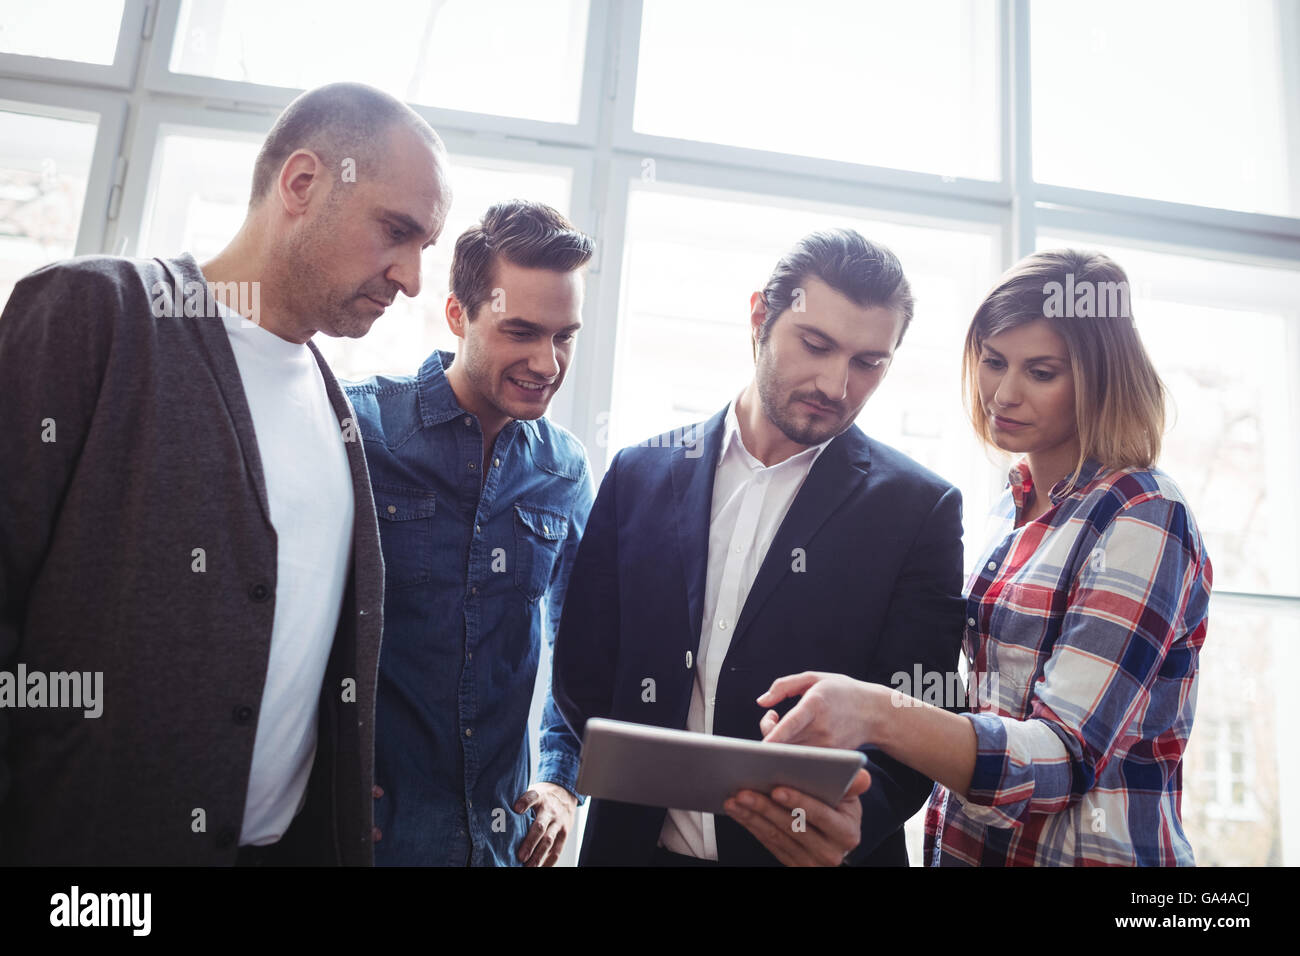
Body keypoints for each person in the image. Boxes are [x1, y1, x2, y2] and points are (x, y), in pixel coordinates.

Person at [0, 82, 452, 865]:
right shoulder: (97, 315)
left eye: (425, 248)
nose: (411, 277)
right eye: (396, 231)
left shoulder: (338, 408)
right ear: (303, 184)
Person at [759, 249, 1212, 866]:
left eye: (1042, 372)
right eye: (993, 362)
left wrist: (876, 712)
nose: (1003, 392)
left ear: (1101, 376)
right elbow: (981, 707)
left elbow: (1062, 759)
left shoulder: (1145, 514)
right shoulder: (1010, 508)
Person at [553, 228, 965, 866]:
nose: (836, 384)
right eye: (816, 344)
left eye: (868, 363)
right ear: (759, 319)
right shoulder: (638, 473)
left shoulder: (920, 509)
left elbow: (924, 706)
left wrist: (855, 818)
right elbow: (583, 669)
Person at [345, 200, 595, 867]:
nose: (547, 363)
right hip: (366, 840)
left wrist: (562, 781)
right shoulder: (358, 426)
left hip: (501, 847)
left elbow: (581, 646)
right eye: (521, 331)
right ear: (459, 315)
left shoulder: (564, 468)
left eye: (564, 335)